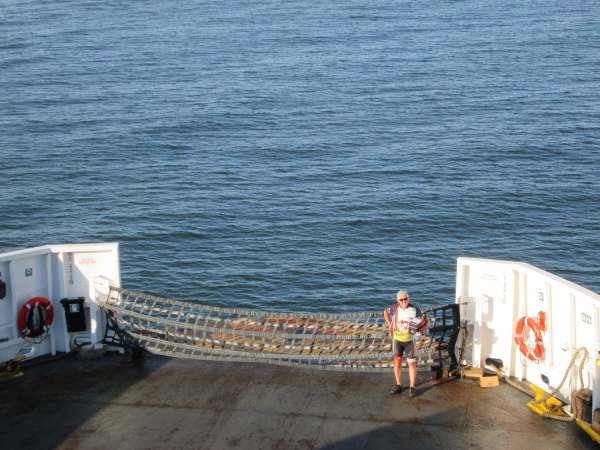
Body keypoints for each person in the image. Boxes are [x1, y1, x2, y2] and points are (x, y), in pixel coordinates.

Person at [384, 290, 424, 397]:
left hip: (410, 341)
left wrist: (420, 330)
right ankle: (398, 385)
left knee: (412, 363)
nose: (403, 301)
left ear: (408, 298)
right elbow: (385, 312)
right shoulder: (393, 308)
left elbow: (423, 319)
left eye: (405, 299)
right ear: (397, 300)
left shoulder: (415, 309)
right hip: (397, 340)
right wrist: (389, 325)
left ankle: (412, 387)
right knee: (397, 362)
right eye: (401, 300)